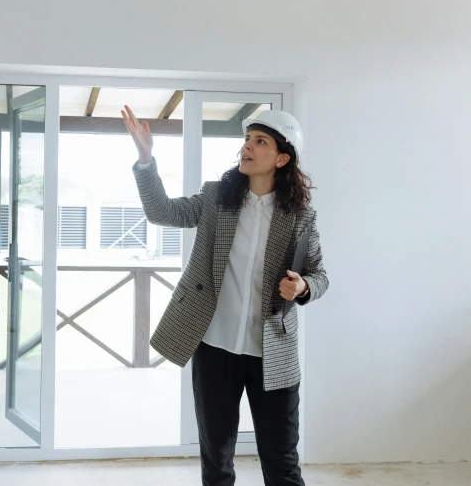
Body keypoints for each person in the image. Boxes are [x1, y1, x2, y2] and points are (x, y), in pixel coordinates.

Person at [122, 105, 328, 486]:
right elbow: (161, 211)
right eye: (247, 139)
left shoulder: (300, 214)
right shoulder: (216, 198)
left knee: (282, 460)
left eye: (260, 141)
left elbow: (319, 275)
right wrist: (146, 158)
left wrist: (302, 287)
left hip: (273, 353)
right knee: (216, 459)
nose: (247, 147)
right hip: (214, 348)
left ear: (282, 158)